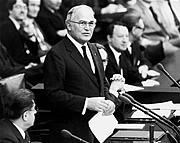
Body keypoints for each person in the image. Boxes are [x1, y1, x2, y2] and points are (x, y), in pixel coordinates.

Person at [44, 5, 122, 143]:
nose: (87, 28)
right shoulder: (56, 54)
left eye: (91, 23)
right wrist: (86, 103)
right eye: (82, 23)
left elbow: (101, 82)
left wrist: (109, 101)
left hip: (97, 130)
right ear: (68, 25)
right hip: (71, 133)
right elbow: (52, 94)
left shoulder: (94, 49)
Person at [127, 0, 180, 65]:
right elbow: (135, 37)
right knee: (175, 50)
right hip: (153, 46)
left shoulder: (157, 4)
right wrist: (152, 43)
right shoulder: (134, 9)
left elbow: (167, 27)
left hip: (167, 41)